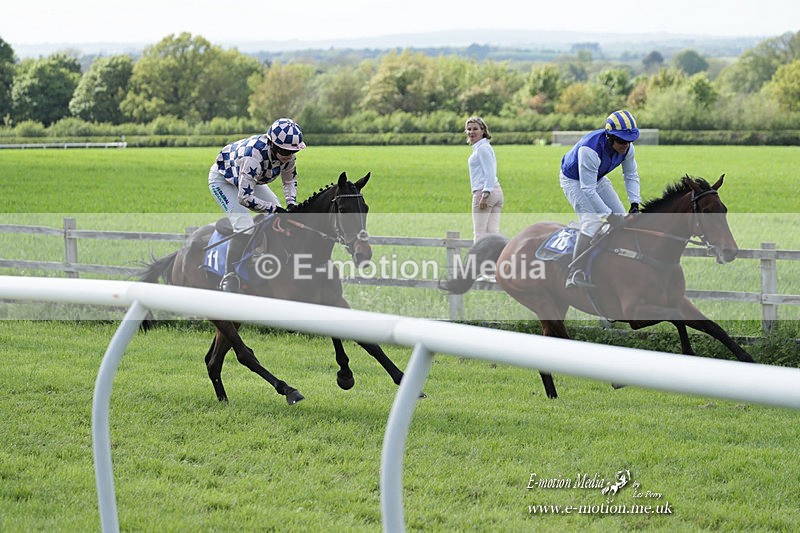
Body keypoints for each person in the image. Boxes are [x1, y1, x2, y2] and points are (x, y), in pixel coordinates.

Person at [208, 118, 306, 293]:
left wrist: (291, 204)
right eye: (285, 151)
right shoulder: (253, 156)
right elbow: (245, 198)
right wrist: (274, 209)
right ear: (273, 145)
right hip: (223, 180)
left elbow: (289, 181)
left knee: (277, 215)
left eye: (293, 151)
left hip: (248, 177)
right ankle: (229, 275)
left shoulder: (289, 157)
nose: (289, 156)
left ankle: (266, 256)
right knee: (244, 225)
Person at [560, 109, 643, 289]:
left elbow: (631, 175)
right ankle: (574, 271)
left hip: (597, 178)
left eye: (630, 141)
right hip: (574, 180)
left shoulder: (628, 149)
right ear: (609, 137)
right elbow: (587, 189)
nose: (626, 145)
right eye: (621, 141)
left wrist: (635, 203)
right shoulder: (590, 150)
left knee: (623, 219)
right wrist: (608, 215)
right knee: (592, 222)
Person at [465, 116, 504, 244]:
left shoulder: (482, 149)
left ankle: (477, 257)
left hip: (484, 192)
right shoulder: (484, 147)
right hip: (496, 192)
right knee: (493, 233)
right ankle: (496, 257)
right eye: (469, 129)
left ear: (483, 131)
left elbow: (490, 173)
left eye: (475, 129)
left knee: (479, 233)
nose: (471, 132)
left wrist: (485, 194)